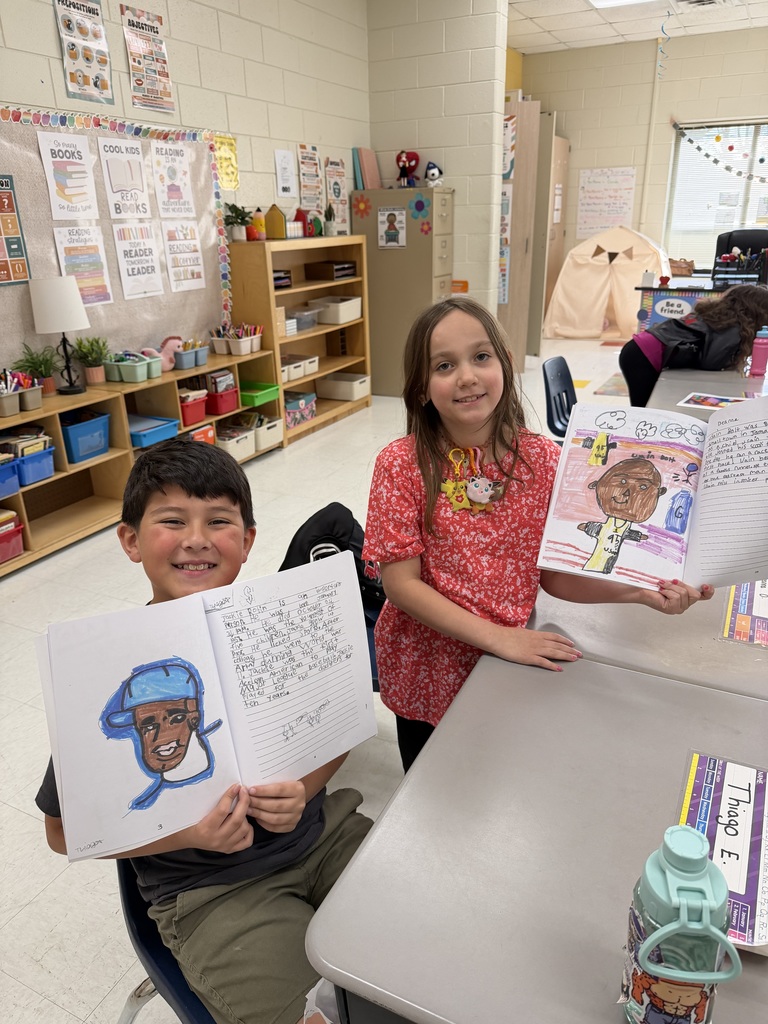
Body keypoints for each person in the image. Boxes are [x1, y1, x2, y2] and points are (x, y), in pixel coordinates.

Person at [35, 438, 371, 1024]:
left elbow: (334, 732)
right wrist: (187, 833)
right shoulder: (104, 667)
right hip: (214, 894)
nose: (197, 538)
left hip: (325, 835)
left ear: (248, 540)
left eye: (219, 520)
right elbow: (65, 832)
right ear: (131, 540)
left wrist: (306, 787)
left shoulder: (275, 628)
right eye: (172, 520)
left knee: (434, 954)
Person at [362, 296, 713, 772]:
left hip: (507, 662)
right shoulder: (401, 465)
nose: (466, 376)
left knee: (495, 774)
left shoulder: (545, 461)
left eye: (481, 357)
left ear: (505, 366)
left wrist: (642, 592)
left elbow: (555, 577)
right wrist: (498, 637)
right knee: (431, 788)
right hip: (429, 664)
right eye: (444, 365)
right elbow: (401, 585)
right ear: (421, 388)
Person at [618, 282, 768, 407]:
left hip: (638, 349)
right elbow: (711, 361)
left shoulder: (719, 317)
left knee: (645, 407)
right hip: (642, 356)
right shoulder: (733, 329)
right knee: (644, 410)